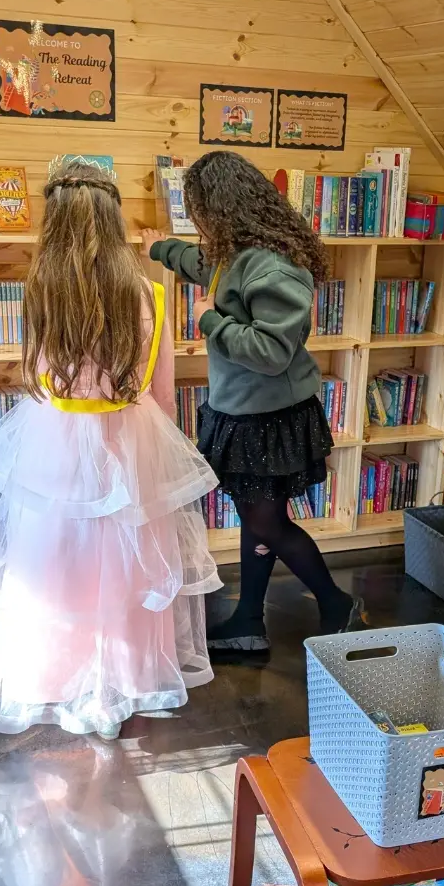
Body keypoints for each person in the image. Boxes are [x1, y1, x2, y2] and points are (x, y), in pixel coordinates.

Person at [0, 162, 220, 739]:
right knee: (124, 569)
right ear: (115, 218)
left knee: (53, 568)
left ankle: (53, 676)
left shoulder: (41, 292)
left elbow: (38, 380)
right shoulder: (150, 293)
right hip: (131, 438)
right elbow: (163, 395)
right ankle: (123, 677)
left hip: (57, 441)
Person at [143, 150, 363, 652]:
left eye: (195, 207)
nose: (194, 218)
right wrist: (161, 249)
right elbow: (207, 268)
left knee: (267, 521)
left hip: (270, 417)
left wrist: (208, 320)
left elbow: (269, 352)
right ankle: (248, 621)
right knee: (256, 516)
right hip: (242, 411)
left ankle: (336, 603)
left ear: (219, 207)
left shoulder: (273, 268)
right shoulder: (236, 251)